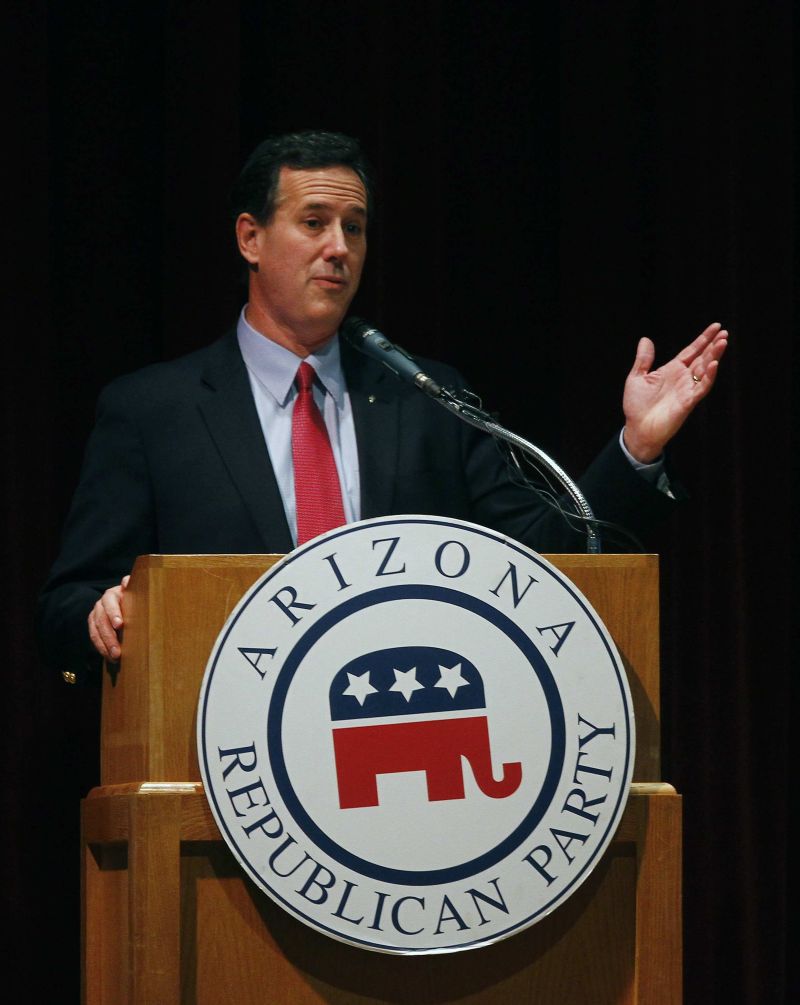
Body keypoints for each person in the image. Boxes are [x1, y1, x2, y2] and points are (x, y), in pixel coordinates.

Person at [36, 130, 728, 683]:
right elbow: (66, 604)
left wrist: (636, 448)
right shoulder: (153, 411)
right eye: (314, 222)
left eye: (355, 227)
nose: (339, 248)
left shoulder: (426, 399)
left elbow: (554, 558)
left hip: (399, 747)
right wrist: (102, 613)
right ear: (250, 238)